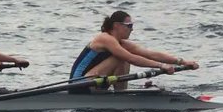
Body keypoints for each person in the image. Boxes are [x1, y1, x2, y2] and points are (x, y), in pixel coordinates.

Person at [69, 10, 199, 94]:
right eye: (129, 26)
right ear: (116, 26)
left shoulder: (121, 42)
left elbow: (150, 54)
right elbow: (131, 58)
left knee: (124, 55)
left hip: (95, 83)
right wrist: (161, 66)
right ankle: (120, 94)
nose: (132, 29)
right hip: (79, 85)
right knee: (122, 57)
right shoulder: (104, 38)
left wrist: (182, 62)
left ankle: (121, 93)